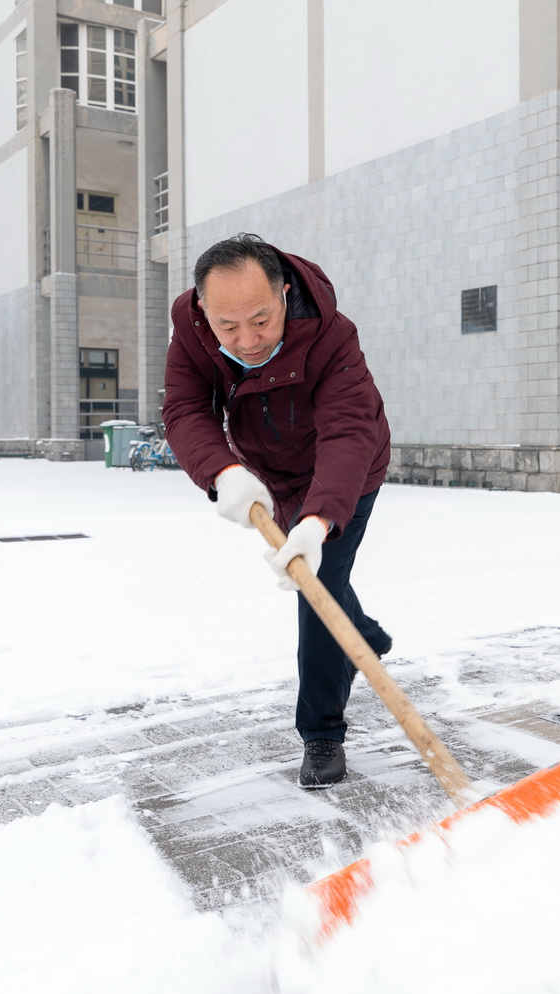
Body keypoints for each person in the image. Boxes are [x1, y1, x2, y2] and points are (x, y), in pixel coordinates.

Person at [162, 233, 393, 787]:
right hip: (268, 477)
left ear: (284, 293)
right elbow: (185, 408)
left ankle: (321, 732)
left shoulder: (332, 335)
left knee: (316, 588)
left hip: (346, 475)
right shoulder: (192, 328)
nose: (247, 341)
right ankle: (363, 635)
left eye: (261, 320)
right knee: (324, 587)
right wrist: (223, 471)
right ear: (204, 310)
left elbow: (347, 431)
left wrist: (318, 519)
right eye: (228, 326)